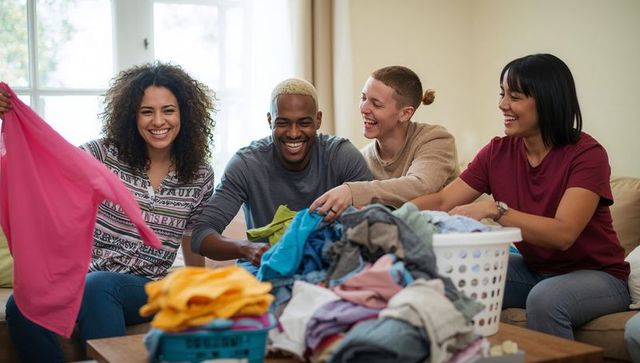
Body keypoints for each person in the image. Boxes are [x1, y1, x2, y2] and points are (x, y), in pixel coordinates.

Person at [2, 62, 216, 362]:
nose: (158, 121)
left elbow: (192, 236)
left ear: (184, 114)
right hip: (86, 279)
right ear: (132, 115)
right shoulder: (102, 155)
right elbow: (47, 161)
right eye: (146, 111)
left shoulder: (200, 173)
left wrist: (198, 292)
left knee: (100, 285)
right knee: (20, 306)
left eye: (168, 110)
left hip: (146, 285)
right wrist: (11, 120)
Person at [411, 53, 630, 339]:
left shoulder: (587, 155)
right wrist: (390, 215)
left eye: (514, 96)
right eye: (502, 94)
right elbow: (442, 201)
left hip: (600, 277)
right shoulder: (497, 152)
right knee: (454, 276)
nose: (503, 105)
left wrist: (496, 211)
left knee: (546, 298)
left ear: (547, 100)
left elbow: (563, 234)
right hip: (535, 270)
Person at [191, 78, 372, 269]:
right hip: (265, 267)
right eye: (283, 123)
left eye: (304, 123)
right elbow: (201, 235)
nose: (293, 133)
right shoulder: (246, 164)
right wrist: (246, 248)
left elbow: (377, 220)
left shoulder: (341, 156)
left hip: (329, 265)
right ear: (270, 120)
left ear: (318, 120)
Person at [310, 66, 458, 221]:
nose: (364, 108)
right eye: (363, 98)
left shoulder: (435, 139)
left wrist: (353, 192)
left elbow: (422, 185)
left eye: (376, 104)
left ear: (405, 113)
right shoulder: (363, 158)